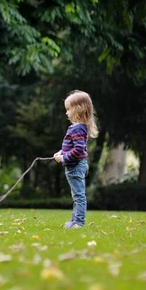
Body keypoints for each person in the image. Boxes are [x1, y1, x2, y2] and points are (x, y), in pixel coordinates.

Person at [53, 90, 98, 229]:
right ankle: (74, 221)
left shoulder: (79, 128)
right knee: (76, 196)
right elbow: (74, 146)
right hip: (74, 166)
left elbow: (78, 150)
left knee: (79, 196)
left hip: (75, 166)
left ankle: (78, 222)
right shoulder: (76, 128)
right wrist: (61, 152)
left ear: (78, 109)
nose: (66, 113)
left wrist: (63, 158)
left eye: (68, 109)